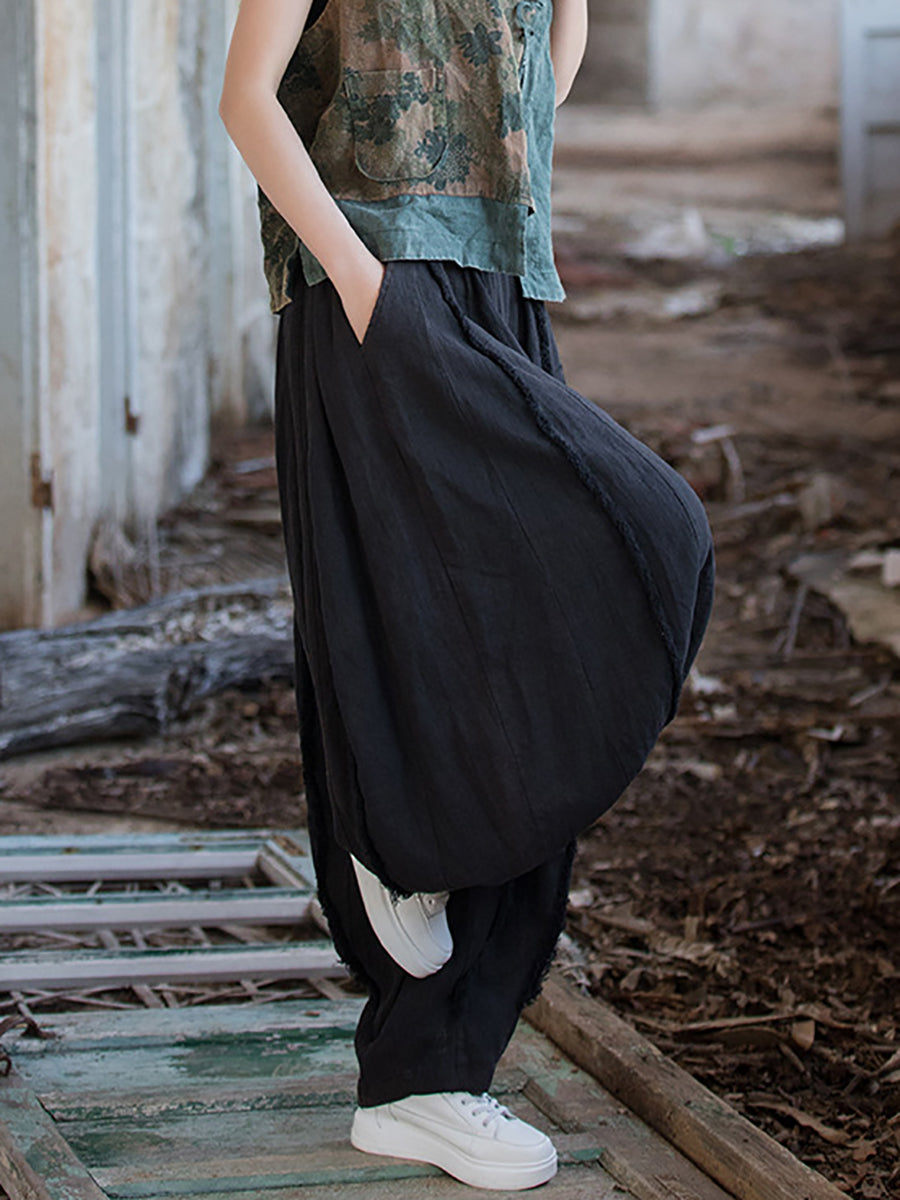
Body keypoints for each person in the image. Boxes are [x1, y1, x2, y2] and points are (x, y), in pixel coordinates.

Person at [219, 0, 715, 1190]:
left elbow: (547, 60)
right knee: (426, 615)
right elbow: (245, 99)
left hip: (499, 282)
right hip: (375, 285)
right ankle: (411, 979)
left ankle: (430, 990)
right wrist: (362, 283)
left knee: (539, 619)